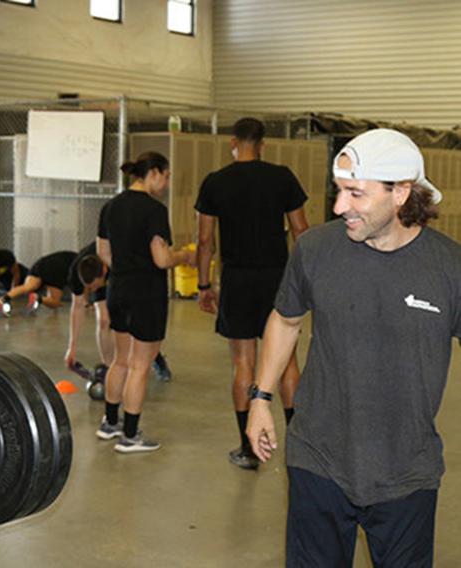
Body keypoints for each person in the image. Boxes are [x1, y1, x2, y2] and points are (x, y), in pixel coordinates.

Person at [247, 129, 457, 566]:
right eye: (339, 191)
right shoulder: (315, 249)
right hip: (317, 460)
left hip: (408, 473)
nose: (340, 206)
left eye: (355, 193)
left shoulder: (449, 268)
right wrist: (260, 398)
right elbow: (285, 320)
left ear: (400, 192)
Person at [194, 117, 309, 470]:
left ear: (233, 142)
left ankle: (247, 449)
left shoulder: (215, 182)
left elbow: (204, 241)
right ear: (262, 144)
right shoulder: (282, 177)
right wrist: (305, 280)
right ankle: (300, 446)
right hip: (278, 278)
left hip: (238, 280)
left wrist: (203, 285)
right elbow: (300, 230)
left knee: (243, 362)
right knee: (287, 361)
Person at [96, 152, 194, 453]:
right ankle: (130, 436)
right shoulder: (154, 210)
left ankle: (109, 424)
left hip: (118, 289)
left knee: (120, 360)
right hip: (146, 294)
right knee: (140, 365)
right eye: (165, 177)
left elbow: (103, 252)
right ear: (153, 173)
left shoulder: (111, 206)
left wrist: (125, 267)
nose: (165, 184)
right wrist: (183, 256)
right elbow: (161, 258)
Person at [64, 243, 173, 381]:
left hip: (125, 273)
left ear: (103, 271)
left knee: (132, 320)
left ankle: (156, 358)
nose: (91, 291)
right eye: (89, 288)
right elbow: (77, 307)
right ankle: (109, 370)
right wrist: (72, 347)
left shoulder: (119, 257)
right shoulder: (76, 272)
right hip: (104, 274)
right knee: (103, 320)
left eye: (94, 287)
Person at [0, 249, 75, 313]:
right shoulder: (81, 265)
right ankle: (37, 298)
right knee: (54, 302)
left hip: (41, 263)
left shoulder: (76, 257)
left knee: (28, 287)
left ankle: (4, 298)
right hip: (57, 269)